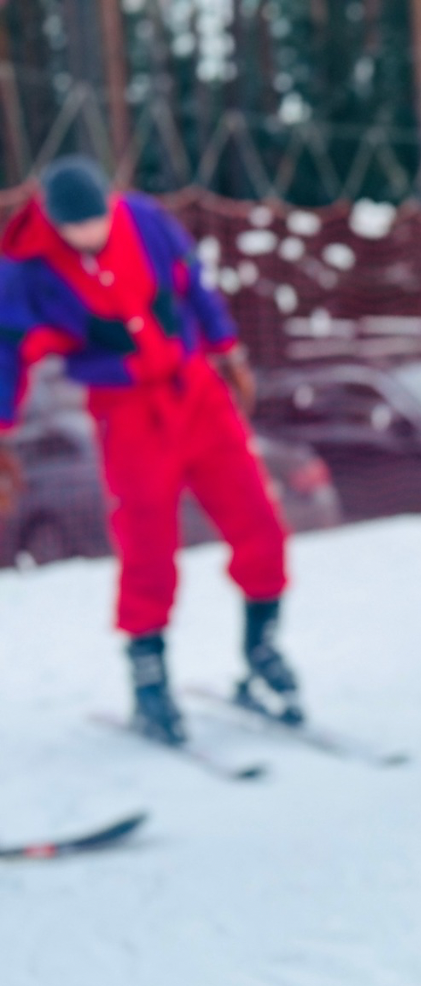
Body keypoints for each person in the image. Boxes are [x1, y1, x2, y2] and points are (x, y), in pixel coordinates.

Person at [0, 155, 298, 744]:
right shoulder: (26, 268)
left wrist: (228, 349)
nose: (92, 234)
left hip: (198, 394)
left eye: (98, 220)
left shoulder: (145, 218)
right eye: (77, 228)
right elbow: (7, 351)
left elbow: (193, 282)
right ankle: (149, 681)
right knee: (147, 545)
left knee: (258, 521)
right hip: (127, 412)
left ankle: (261, 650)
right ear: (55, 223)